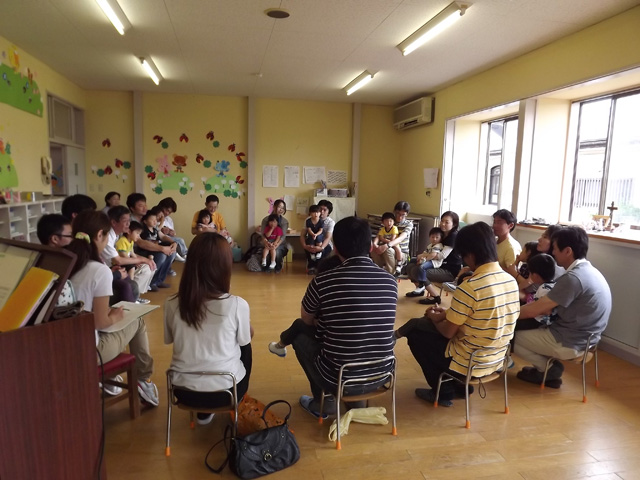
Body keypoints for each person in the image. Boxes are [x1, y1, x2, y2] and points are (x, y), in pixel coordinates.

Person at [403, 222, 520, 407]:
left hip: (470, 363)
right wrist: (447, 314)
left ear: (470, 254)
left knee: (417, 334)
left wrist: (435, 319)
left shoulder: (470, 287)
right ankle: (460, 386)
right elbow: (479, 314)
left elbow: (448, 332)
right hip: (497, 359)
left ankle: (443, 391)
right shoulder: (511, 281)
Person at [291, 216, 397, 418]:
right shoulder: (390, 281)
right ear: (371, 246)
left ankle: (324, 402)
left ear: (336, 249)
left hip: (338, 377)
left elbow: (306, 320)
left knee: (299, 335)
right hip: (383, 374)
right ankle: (357, 398)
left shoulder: (323, 280)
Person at [65, 210, 159, 407]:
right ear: (100, 235)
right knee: (137, 321)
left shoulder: (65, 261)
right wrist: (116, 315)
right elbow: (101, 322)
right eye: (107, 236)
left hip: (64, 347)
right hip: (91, 352)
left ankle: (110, 380)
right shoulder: (99, 270)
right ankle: (144, 379)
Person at [164, 232, 253, 425]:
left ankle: (202, 413)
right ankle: (238, 401)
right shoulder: (237, 304)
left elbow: (171, 338)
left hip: (182, 391)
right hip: (226, 392)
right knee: (245, 345)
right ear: (225, 266)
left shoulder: (171, 303)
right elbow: (245, 339)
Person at [514, 226, 611, 388]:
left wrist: (504, 314)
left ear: (567, 251)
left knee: (511, 336)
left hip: (571, 341)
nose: (553, 253)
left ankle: (548, 369)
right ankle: (547, 366)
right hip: (589, 339)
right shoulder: (590, 271)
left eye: (555, 248)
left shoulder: (574, 278)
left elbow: (534, 310)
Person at [405, 211, 462, 305]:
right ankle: (420, 288)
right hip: (438, 265)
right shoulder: (441, 233)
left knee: (418, 270)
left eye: (447, 222)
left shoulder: (453, 236)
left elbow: (442, 255)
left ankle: (435, 296)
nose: (443, 224)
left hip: (449, 271)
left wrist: (424, 256)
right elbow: (431, 248)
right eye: (442, 221)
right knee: (410, 266)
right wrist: (424, 256)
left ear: (454, 224)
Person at [102, 206, 155, 304]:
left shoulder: (117, 234)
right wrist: (143, 259)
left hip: (112, 268)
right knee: (130, 285)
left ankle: (134, 299)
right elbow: (118, 260)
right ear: (114, 222)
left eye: (129, 220)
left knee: (133, 283)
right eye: (125, 221)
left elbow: (129, 254)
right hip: (107, 270)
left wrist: (143, 259)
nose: (128, 224)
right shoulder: (107, 236)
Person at [135, 208, 177, 291]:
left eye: (155, 219)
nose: (155, 222)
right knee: (162, 256)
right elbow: (142, 243)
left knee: (172, 253)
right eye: (152, 220)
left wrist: (173, 242)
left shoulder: (155, 228)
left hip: (155, 250)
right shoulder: (142, 230)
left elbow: (163, 236)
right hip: (145, 251)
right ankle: (151, 282)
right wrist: (161, 248)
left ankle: (159, 280)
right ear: (145, 221)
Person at [115, 221, 154, 303]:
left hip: (128, 261)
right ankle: (131, 286)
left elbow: (132, 253)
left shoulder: (131, 241)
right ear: (129, 232)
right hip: (121, 263)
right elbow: (123, 255)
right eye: (137, 233)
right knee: (132, 267)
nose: (138, 236)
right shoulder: (122, 241)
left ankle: (137, 294)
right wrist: (134, 262)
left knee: (148, 266)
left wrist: (138, 260)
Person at [371, 201, 412, 275]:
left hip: (401, 252)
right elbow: (379, 235)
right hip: (384, 247)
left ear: (407, 214)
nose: (400, 217)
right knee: (373, 248)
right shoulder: (388, 221)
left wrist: (387, 245)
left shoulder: (408, 224)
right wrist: (374, 244)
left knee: (388, 250)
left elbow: (400, 238)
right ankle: (378, 271)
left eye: (403, 215)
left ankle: (391, 274)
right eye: (398, 213)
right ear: (394, 211)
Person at [300, 199, 335, 275]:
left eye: (324, 210)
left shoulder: (330, 222)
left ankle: (318, 268)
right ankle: (312, 267)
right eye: (320, 209)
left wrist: (321, 247)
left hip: (325, 243)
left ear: (328, 212)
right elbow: (302, 235)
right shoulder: (308, 220)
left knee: (322, 252)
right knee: (309, 248)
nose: (321, 211)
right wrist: (305, 246)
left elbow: (328, 237)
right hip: (312, 241)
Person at [257, 199, 289, 272]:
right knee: (265, 250)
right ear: (274, 207)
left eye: (283, 208)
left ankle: (278, 267)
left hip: (279, 243)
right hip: (267, 241)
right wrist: (266, 242)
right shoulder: (266, 220)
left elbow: (283, 236)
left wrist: (276, 244)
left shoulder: (284, 222)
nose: (281, 209)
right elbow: (263, 234)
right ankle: (266, 266)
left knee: (277, 251)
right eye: (279, 207)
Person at [156, 197, 187, 262]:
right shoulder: (154, 216)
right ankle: (183, 254)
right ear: (161, 206)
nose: (167, 213)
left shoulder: (169, 219)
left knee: (178, 240)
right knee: (179, 240)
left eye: (170, 212)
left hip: (168, 238)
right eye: (167, 210)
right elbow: (154, 230)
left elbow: (173, 234)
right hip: (158, 239)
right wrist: (162, 229)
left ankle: (181, 255)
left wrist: (171, 232)